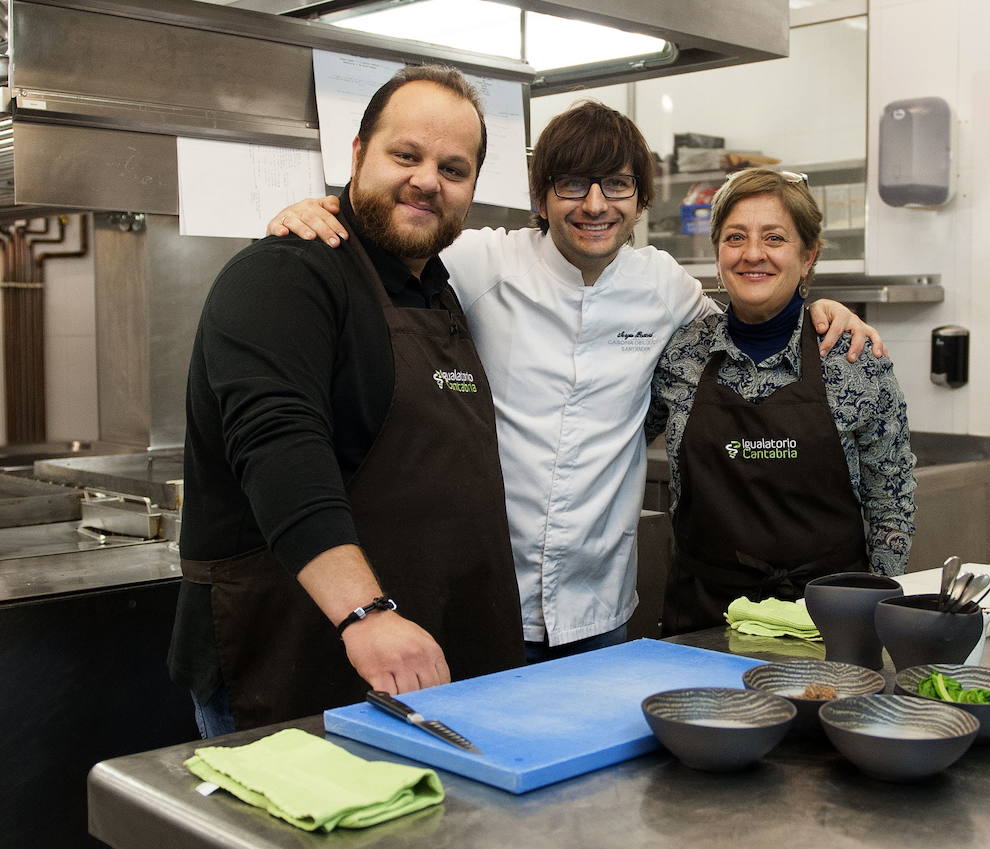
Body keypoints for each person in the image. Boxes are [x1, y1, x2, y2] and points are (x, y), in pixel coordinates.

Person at [267, 102, 885, 659]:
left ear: (639, 201)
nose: (595, 205)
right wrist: (317, 210)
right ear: (541, 199)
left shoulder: (663, 286)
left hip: (599, 607)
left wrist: (817, 311)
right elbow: (387, 242)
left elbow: (747, 325)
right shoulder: (481, 262)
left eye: (617, 185)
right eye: (572, 185)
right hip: (484, 595)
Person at [169, 65, 526, 737]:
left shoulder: (437, 291)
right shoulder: (283, 274)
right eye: (406, 155)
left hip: (423, 672)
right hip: (299, 662)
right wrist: (365, 614)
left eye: (454, 168)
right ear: (358, 155)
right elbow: (279, 448)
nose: (427, 180)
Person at [645, 168, 915, 636]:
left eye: (775, 238)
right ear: (717, 253)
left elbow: (891, 499)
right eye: (735, 238)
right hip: (703, 619)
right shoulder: (680, 354)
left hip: (827, 620)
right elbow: (613, 436)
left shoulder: (854, 359)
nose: (753, 254)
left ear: (808, 256)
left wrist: (871, 608)